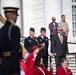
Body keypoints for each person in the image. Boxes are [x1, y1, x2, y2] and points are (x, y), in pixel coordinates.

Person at [0, 7, 20, 75]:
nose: (17, 18)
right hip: (12, 65)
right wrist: (15, 69)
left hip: (3, 65)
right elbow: (15, 50)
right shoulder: (15, 29)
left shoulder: (2, 30)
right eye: (16, 16)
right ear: (13, 15)